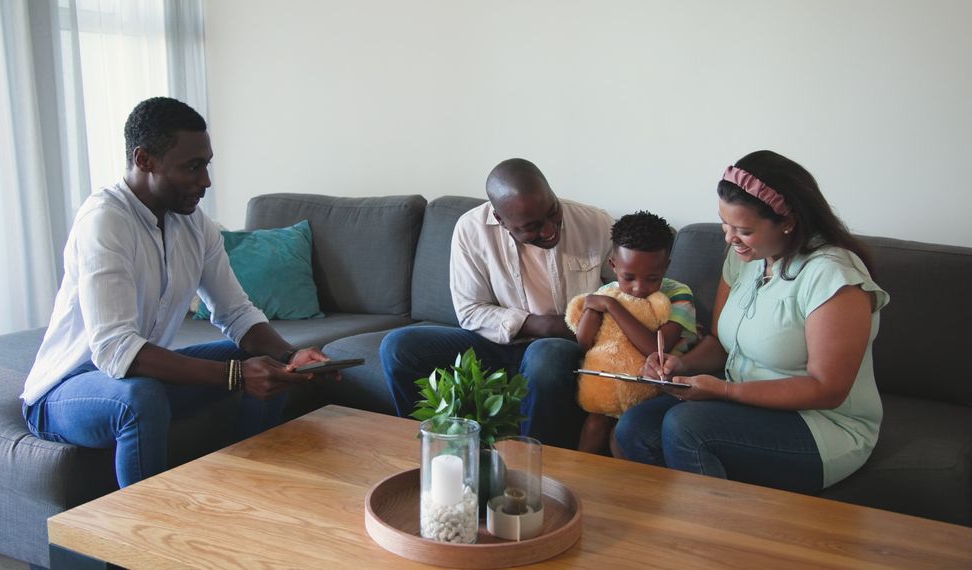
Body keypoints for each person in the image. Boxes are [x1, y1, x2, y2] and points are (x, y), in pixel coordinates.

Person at [21, 97, 333, 488]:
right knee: (140, 399)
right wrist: (235, 376)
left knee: (265, 359)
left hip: (139, 375)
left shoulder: (193, 224)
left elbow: (236, 312)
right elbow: (115, 350)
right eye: (192, 166)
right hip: (69, 390)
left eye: (206, 164)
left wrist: (290, 355)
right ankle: (147, 540)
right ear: (145, 160)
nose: (205, 181)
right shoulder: (104, 222)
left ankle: (249, 485)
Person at [615, 150, 889, 493]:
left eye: (743, 229)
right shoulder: (745, 257)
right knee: (635, 427)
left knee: (687, 427)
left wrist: (726, 391)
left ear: (787, 222)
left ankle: (716, 539)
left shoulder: (833, 276)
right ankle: (673, 526)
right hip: (744, 404)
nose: (729, 238)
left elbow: (827, 389)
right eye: (725, 224)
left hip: (821, 424)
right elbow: (719, 341)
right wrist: (678, 365)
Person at [379, 158, 615, 448]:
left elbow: (629, 293)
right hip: (498, 344)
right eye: (532, 226)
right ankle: (440, 449)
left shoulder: (597, 224)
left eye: (553, 212)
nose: (550, 229)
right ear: (502, 221)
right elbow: (469, 310)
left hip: (562, 346)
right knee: (399, 347)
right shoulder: (470, 230)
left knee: (545, 355)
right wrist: (535, 323)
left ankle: (535, 463)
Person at [574, 211, 697, 454]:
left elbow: (656, 348)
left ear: (666, 267)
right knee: (595, 423)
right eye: (628, 277)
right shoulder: (608, 291)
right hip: (614, 379)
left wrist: (612, 306)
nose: (639, 288)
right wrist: (591, 307)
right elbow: (583, 342)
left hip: (660, 382)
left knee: (620, 434)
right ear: (613, 266)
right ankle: (576, 484)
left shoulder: (679, 295)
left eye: (652, 278)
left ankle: (625, 490)